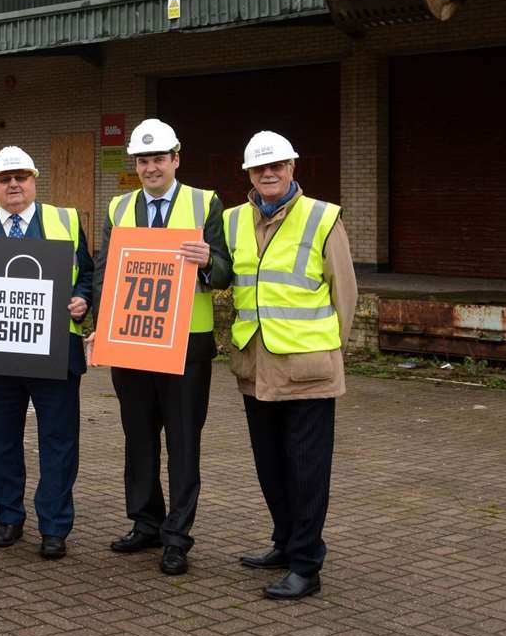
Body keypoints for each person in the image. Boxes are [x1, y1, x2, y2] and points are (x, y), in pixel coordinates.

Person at [223, 130, 357, 599]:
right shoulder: (234, 219)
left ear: (292, 167)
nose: (269, 173)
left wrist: (325, 352)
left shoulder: (322, 217)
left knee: (306, 470)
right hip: (255, 366)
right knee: (270, 465)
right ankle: (284, 541)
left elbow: (346, 294)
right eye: (260, 168)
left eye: (277, 165)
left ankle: (306, 564)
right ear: (249, 175)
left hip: (308, 371)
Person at [96, 118, 232, 576]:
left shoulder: (204, 202)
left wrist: (208, 259)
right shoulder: (119, 207)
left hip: (187, 345)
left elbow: (225, 271)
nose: (150, 167)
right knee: (138, 438)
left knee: (182, 441)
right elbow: (104, 271)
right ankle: (146, 523)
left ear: (176, 159)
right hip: (132, 340)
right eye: (143, 160)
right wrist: (99, 323)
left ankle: (177, 537)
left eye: (158, 158)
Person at [0, 146, 93, 560]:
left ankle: (54, 526)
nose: (13, 185)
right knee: (0, 442)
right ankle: (8, 517)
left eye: (21, 177)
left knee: (58, 441)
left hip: (55, 351)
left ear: (34, 181)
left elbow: (86, 273)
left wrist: (83, 299)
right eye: (4, 179)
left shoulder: (65, 220)